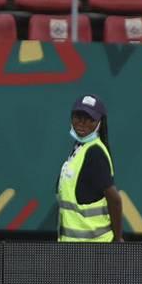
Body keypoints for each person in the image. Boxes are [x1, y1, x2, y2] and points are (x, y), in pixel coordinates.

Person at [56, 94, 123, 242]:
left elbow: (115, 200)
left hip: (93, 249)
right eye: (78, 116)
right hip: (76, 248)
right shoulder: (80, 148)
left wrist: (118, 239)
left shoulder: (95, 152)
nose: (82, 122)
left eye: (89, 118)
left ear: (100, 123)